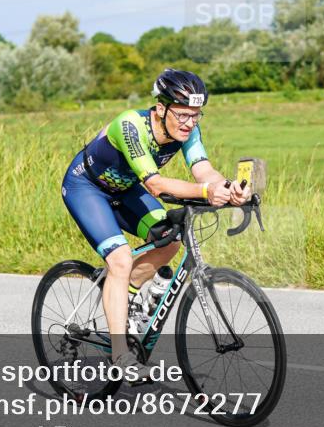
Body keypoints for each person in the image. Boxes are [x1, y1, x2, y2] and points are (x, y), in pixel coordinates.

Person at [61, 69, 250, 379]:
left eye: (196, 115)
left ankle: (129, 298)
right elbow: (157, 186)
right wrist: (206, 193)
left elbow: (204, 172)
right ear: (161, 108)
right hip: (88, 189)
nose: (190, 122)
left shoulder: (188, 132)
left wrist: (228, 188)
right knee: (120, 260)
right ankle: (120, 355)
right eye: (182, 114)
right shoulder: (130, 126)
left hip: (125, 190)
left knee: (170, 240)